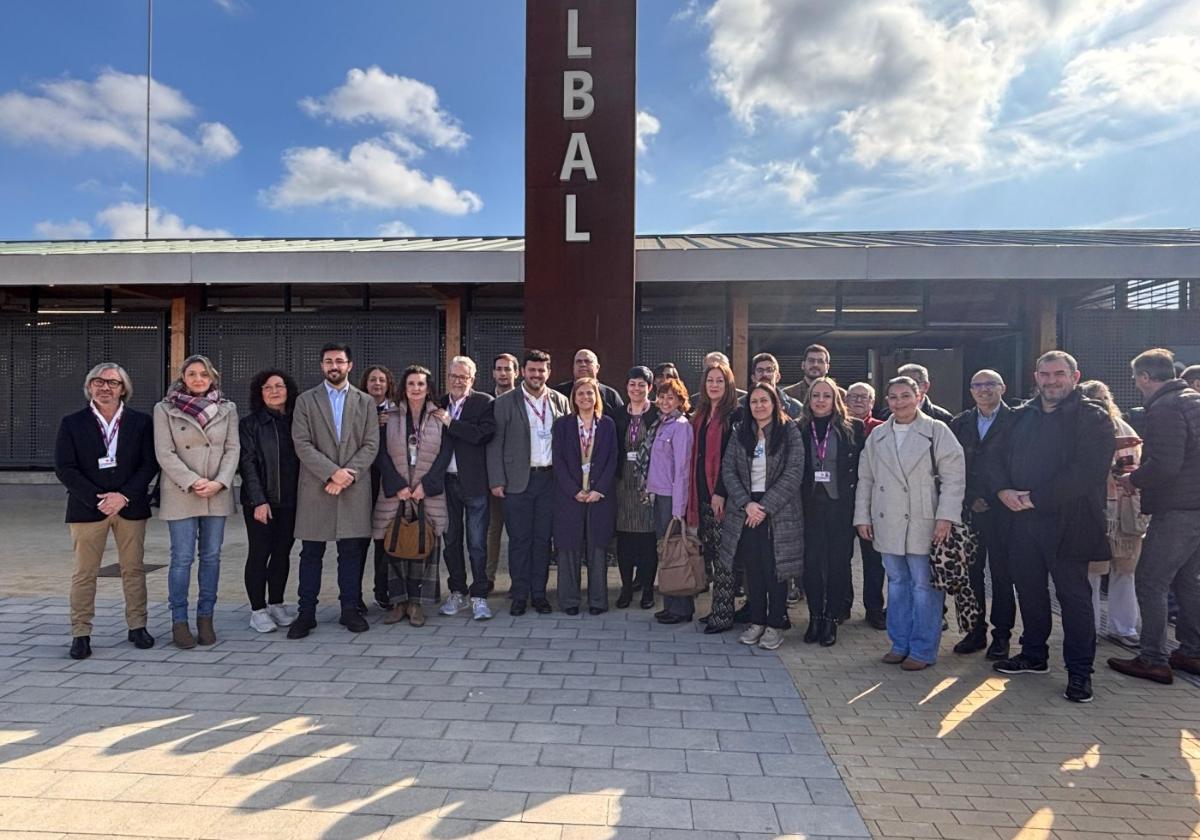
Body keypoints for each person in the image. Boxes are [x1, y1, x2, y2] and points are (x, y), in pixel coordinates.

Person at [991, 351, 1115, 703]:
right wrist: (1002, 490)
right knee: (1028, 591)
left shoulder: (1092, 418)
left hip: (1069, 523)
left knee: (1074, 600)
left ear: (1075, 377)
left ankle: (1079, 673)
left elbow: (1086, 472)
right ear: (1036, 377)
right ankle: (1034, 654)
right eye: (1045, 375)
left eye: (1059, 374)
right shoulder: (1020, 416)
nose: (1051, 381)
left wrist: (1036, 498)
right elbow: (996, 458)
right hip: (1022, 521)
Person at [855, 376, 965, 671]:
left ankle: (923, 649)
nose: (899, 402)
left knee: (923, 585)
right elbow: (865, 479)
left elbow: (954, 477)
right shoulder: (877, 436)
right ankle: (899, 643)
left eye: (906, 395)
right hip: (887, 518)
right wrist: (862, 517)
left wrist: (946, 517)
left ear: (919, 396)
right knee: (898, 584)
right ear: (887, 401)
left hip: (924, 519)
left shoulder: (936, 431)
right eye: (893, 397)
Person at [54, 363, 159, 660]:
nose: (105, 387)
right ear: (89, 387)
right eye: (98, 382)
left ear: (123, 389)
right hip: (88, 508)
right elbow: (65, 468)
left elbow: (148, 463)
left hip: (130, 507)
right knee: (85, 573)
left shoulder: (140, 422)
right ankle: (81, 632)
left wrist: (123, 496)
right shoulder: (72, 423)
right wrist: (98, 499)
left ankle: (137, 626)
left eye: (112, 383)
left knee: (133, 569)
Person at [1109, 349, 1200, 684]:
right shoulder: (1193, 400)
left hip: (1177, 509)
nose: (1136, 383)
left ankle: (1153, 657)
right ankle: (1191, 651)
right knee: (1188, 581)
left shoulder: (1165, 407)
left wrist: (1132, 480)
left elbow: (1165, 463)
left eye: (1136, 377)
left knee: (1150, 580)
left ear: (1145, 377)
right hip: (1196, 509)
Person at [289, 343, 379, 638]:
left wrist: (347, 475)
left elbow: (370, 444)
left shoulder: (365, 402)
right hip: (317, 487)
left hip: (353, 487)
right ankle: (306, 614)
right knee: (311, 553)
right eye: (328, 361)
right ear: (321, 366)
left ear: (350, 366)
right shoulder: (305, 400)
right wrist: (332, 473)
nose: (334, 366)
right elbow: (301, 443)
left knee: (351, 552)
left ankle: (349, 610)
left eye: (339, 361)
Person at [153, 354, 240, 650]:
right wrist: (193, 481)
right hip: (182, 491)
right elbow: (164, 453)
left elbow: (233, 449)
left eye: (204, 374)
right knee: (181, 559)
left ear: (212, 378)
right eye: (192, 374)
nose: (199, 379)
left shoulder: (228, 409)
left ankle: (206, 618)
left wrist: (219, 481)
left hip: (217, 492)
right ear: (183, 377)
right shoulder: (164, 409)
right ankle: (179, 621)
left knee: (212, 557)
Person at [720, 382, 805, 650]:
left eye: (764, 400)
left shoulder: (789, 430)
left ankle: (776, 623)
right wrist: (747, 504)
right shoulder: (740, 432)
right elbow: (728, 471)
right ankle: (756, 620)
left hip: (777, 510)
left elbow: (794, 473)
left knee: (776, 569)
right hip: (746, 509)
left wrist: (765, 506)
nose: (758, 406)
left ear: (775, 403)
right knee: (753, 568)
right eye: (754, 401)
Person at [487, 350, 570, 615]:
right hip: (517, 482)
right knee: (520, 540)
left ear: (549, 372)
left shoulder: (560, 401)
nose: (537, 375)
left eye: (541, 370)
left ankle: (539, 594)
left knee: (543, 540)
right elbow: (494, 446)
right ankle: (520, 595)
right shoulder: (505, 403)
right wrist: (497, 480)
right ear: (522, 371)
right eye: (532, 370)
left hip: (550, 480)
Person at [372, 365, 452, 627]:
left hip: (426, 494)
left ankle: (417, 604)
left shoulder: (440, 417)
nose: (416, 388)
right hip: (396, 492)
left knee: (424, 545)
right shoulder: (389, 416)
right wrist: (398, 485)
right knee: (395, 545)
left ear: (428, 388)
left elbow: (444, 455)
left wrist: (425, 486)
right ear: (403, 388)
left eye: (421, 384)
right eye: (411, 384)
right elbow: (380, 453)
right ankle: (398, 603)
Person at [948, 370, 1018, 658]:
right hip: (971, 511)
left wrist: (994, 494)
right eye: (977, 385)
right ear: (971, 390)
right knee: (971, 574)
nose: (984, 390)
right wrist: (971, 497)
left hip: (1005, 511)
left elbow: (1019, 462)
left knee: (1003, 576)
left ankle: (1001, 636)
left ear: (1002, 387)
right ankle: (974, 631)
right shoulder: (960, 423)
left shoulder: (1017, 421)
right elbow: (952, 466)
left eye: (990, 384)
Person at [799, 378, 864, 647]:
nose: (821, 400)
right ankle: (815, 616)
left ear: (835, 399)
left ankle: (831, 619)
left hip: (841, 506)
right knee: (812, 563)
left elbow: (862, 470)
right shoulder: (799, 428)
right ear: (809, 399)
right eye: (816, 395)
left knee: (838, 563)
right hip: (810, 506)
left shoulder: (853, 428)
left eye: (827, 395)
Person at [1079, 380, 1143, 648]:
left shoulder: (1082, 429)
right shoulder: (1126, 429)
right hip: (1125, 508)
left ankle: (1091, 627)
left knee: (1093, 575)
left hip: (1102, 508)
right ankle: (1123, 627)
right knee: (1124, 572)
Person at [238, 369, 301, 634]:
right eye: (267, 387)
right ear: (259, 393)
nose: (274, 391)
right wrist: (259, 500)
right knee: (259, 554)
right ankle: (258, 609)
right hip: (261, 502)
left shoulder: (297, 421)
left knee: (282, 554)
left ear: (288, 390)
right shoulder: (250, 424)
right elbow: (248, 464)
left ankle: (276, 603)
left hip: (291, 500)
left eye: (279, 386)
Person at [436, 356, 496, 621]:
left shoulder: (484, 402)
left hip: (474, 483)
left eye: (463, 377)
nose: (458, 381)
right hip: (445, 483)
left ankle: (479, 595)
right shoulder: (437, 403)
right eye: (454, 376)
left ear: (472, 379)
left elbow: (482, 435)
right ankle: (457, 591)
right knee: (451, 541)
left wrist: (451, 423)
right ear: (447, 377)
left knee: (477, 543)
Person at [552, 377, 618, 615]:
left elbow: (613, 458)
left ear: (596, 397)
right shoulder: (562, 426)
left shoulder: (607, 425)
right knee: (569, 548)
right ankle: (569, 600)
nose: (585, 398)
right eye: (580, 394)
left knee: (598, 548)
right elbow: (557, 462)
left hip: (599, 497)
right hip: (570, 497)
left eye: (590, 393)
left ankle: (598, 601)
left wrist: (599, 489)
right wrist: (574, 490)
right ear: (574, 398)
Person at [689, 362, 741, 634]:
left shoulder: (734, 415)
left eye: (720, 380)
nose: (714, 385)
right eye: (710, 380)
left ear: (728, 384)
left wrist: (720, 491)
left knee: (724, 558)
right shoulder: (701, 414)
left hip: (723, 498)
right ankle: (716, 609)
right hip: (702, 495)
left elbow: (731, 460)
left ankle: (723, 615)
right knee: (712, 553)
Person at [646, 377, 695, 624]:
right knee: (666, 552)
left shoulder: (681, 426)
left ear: (680, 401)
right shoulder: (662, 424)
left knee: (677, 551)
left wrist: (678, 508)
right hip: (659, 496)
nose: (665, 401)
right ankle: (670, 602)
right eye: (662, 396)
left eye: (671, 397)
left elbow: (682, 470)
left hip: (672, 500)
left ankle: (682, 608)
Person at [614, 366, 659, 610]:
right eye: (632, 384)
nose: (636, 389)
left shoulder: (657, 415)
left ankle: (648, 590)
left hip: (649, 482)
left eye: (642, 385)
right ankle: (626, 588)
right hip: (623, 482)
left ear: (650, 388)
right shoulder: (618, 414)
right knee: (625, 540)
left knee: (647, 540)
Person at [846, 381, 886, 629]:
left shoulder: (882, 430)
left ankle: (874, 608)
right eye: (854, 397)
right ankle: (843, 605)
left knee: (874, 560)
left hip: (873, 504)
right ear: (846, 400)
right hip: (841, 503)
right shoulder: (838, 427)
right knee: (842, 558)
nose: (859, 401)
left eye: (865, 398)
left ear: (872, 402)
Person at [360, 365, 397, 611]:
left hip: (388, 482)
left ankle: (383, 591)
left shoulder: (396, 410)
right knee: (359, 539)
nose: (377, 384)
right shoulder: (357, 407)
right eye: (372, 379)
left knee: (384, 540)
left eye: (382, 380)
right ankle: (353, 596)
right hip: (361, 480)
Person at [486, 353, 519, 592]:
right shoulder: (485, 402)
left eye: (508, 369)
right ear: (493, 373)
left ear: (516, 372)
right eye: (499, 369)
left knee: (518, 534)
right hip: (491, 479)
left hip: (521, 479)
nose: (503, 373)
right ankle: (487, 579)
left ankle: (518, 582)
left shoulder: (524, 401)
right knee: (491, 532)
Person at [553, 348, 625, 415]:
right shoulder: (559, 393)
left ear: (597, 367)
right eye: (579, 361)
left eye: (587, 361)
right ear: (573, 367)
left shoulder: (611, 395)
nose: (583, 364)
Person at [883, 364, 954, 425]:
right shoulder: (883, 416)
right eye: (903, 383)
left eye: (914, 383)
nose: (908, 387)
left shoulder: (943, 418)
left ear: (926, 386)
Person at [744, 353, 802, 419]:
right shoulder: (741, 406)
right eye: (760, 370)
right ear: (753, 378)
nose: (764, 374)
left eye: (769, 370)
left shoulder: (795, 408)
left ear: (777, 377)